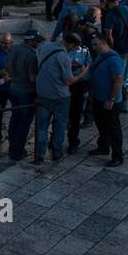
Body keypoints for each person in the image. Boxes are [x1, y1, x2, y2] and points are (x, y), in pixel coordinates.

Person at [34, 30, 86, 163]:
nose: (74, 50)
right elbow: (68, 81)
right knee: (59, 125)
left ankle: (39, 153)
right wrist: (81, 74)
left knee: (42, 126)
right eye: (74, 47)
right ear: (70, 44)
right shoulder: (63, 56)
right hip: (60, 96)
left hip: (42, 93)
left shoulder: (46, 47)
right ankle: (56, 152)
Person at [5, 29, 42, 161]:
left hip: (14, 88)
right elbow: (33, 78)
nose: (38, 43)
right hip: (26, 92)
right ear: (30, 41)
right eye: (36, 41)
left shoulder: (13, 49)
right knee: (24, 123)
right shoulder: (31, 55)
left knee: (14, 119)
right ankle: (17, 151)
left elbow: (8, 68)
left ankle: (11, 147)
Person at [88, 35, 125, 166]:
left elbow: (118, 80)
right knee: (101, 124)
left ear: (103, 43)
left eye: (95, 45)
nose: (93, 47)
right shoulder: (100, 56)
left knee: (113, 128)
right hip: (98, 98)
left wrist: (112, 99)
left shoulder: (114, 60)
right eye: (92, 45)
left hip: (110, 101)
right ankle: (103, 147)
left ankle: (117, 156)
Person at [101, 0, 128, 113]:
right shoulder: (126, 9)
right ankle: (124, 105)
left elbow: (108, 34)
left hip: (121, 50)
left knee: (118, 79)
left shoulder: (110, 15)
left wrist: (110, 47)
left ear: (106, 0)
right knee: (126, 79)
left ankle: (119, 104)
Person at [62, 31, 91, 155]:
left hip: (78, 85)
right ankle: (54, 140)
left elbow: (88, 67)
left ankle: (73, 142)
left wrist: (80, 73)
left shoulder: (84, 52)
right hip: (63, 84)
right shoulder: (61, 51)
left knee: (75, 116)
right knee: (60, 113)